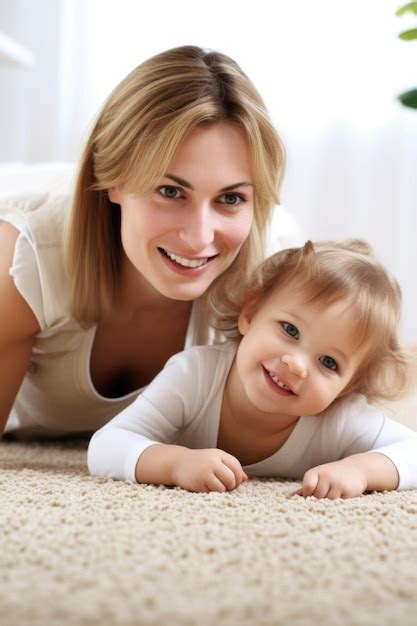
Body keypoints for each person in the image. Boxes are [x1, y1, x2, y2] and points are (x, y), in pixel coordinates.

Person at [0, 45, 289, 438]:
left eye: (230, 198)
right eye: (171, 192)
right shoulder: (26, 259)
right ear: (113, 178)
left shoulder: (273, 278)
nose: (199, 236)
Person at [88, 239, 417, 500]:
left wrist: (360, 470)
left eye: (329, 363)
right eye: (290, 330)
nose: (297, 364)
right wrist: (176, 464)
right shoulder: (195, 374)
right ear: (251, 313)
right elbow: (106, 445)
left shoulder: (338, 418)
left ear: (347, 386)